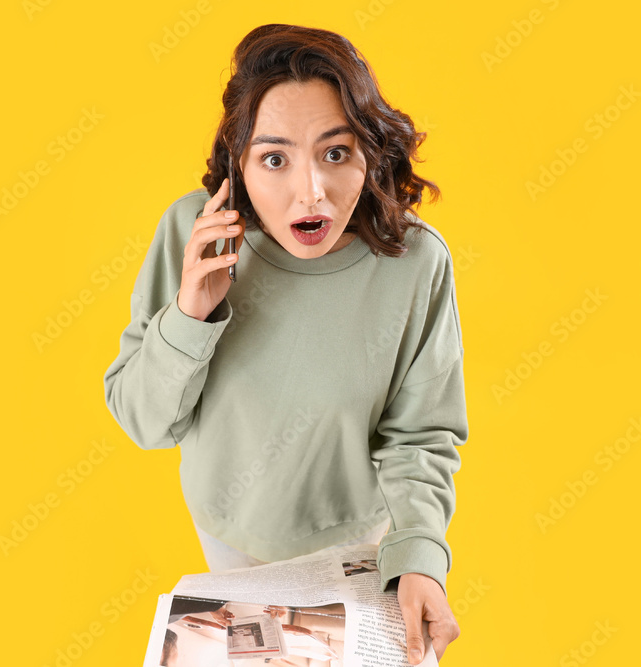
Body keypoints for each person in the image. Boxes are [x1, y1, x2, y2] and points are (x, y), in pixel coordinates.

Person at [104, 24, 466, 665]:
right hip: (228, 532)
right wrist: (191, 310)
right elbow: (145, 422)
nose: (311, 192)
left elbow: (420, 436)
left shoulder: (415, 264)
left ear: (370, 153)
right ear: (237, 165)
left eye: (335, 152)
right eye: (274, 158)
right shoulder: (194, 233)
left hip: (356, 547)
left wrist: (418, 556)